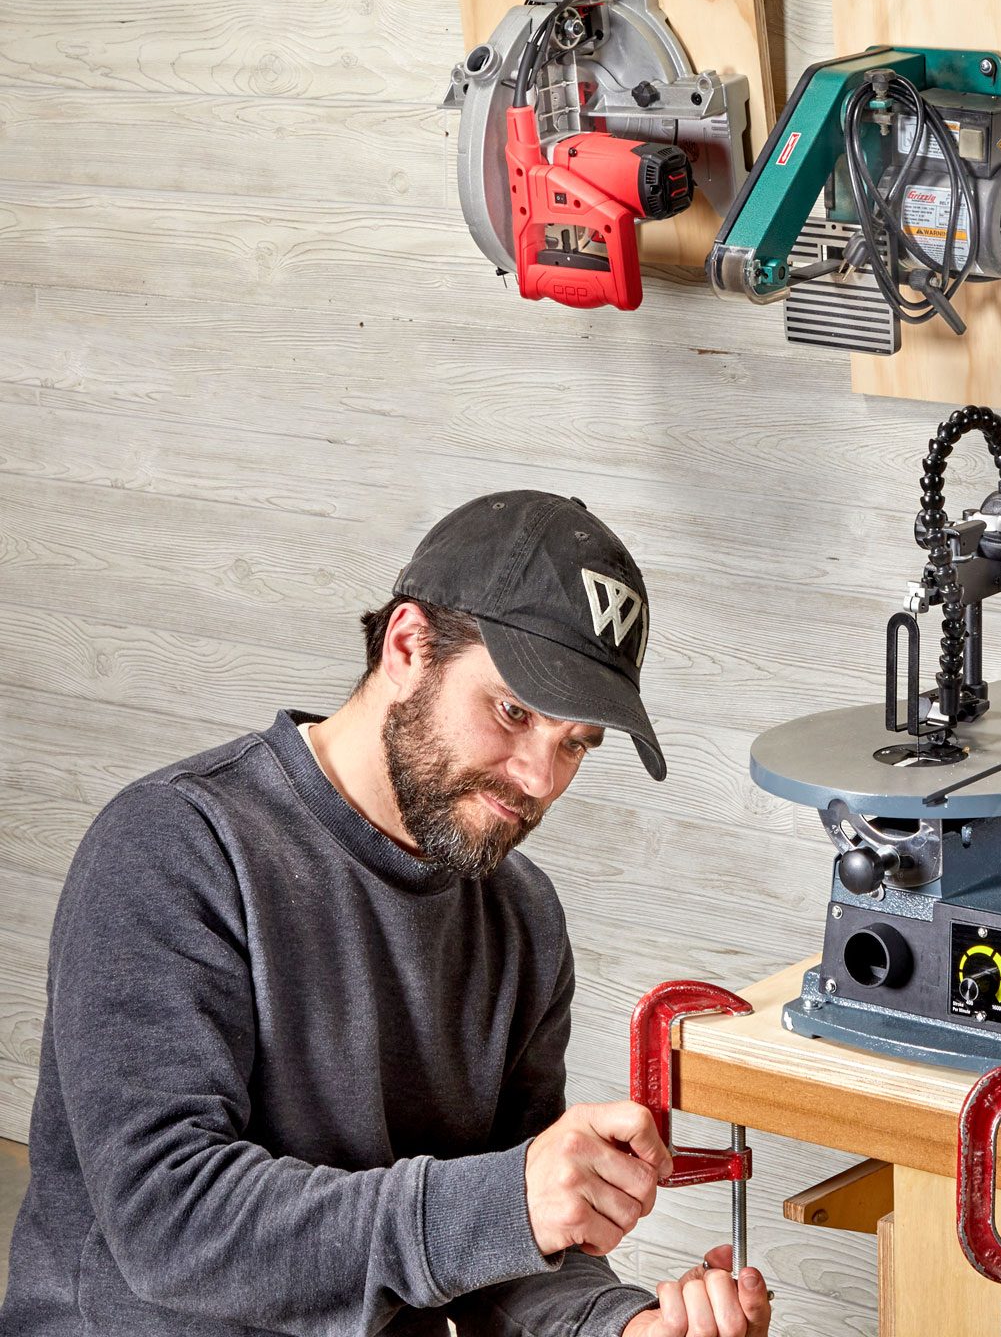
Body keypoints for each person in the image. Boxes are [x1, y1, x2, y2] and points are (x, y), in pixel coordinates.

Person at [1, 490, 771, 1336]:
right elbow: (170, 1223)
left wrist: (618, 1326)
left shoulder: (523, 920)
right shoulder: (177, 845)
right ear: (408, 647)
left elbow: (499, 1255)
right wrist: (506, 1202)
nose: (540, 778)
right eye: (514, 712)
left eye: (575, 744)